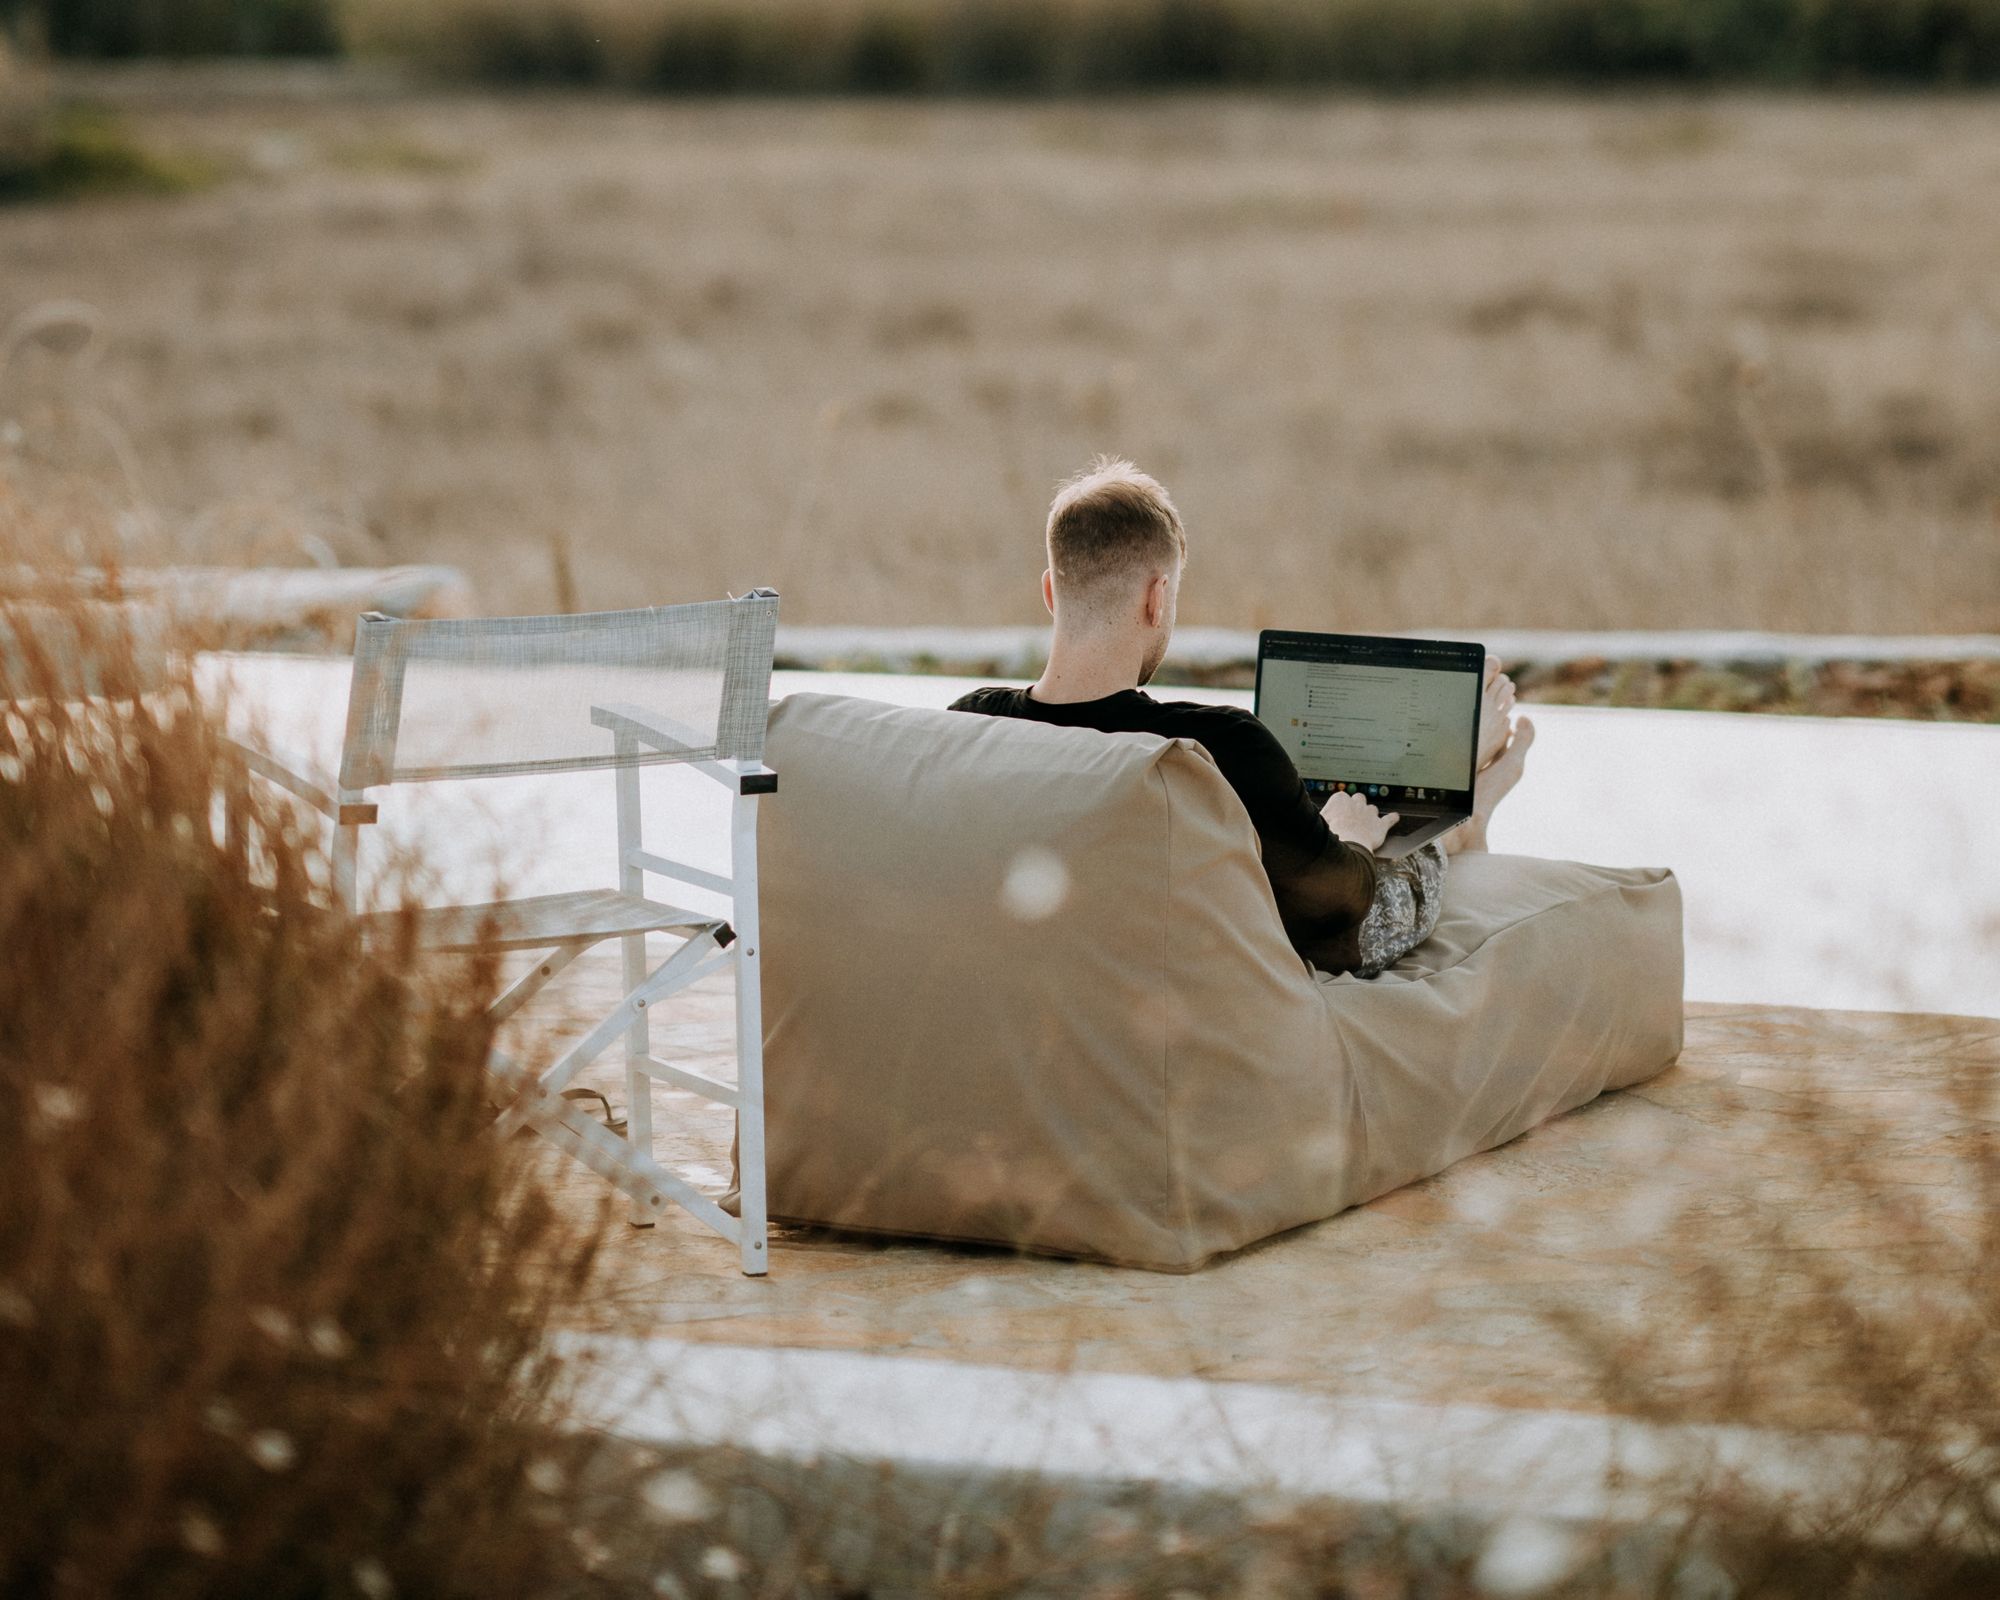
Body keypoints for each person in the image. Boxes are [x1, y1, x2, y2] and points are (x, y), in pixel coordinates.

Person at [950, 457, 1536, 977]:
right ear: (1157, 598)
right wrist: (1350, 838)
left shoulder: (970, 725)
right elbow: (1343, 920)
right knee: (1393, 875)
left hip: (1055, 964)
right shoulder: (1215, 747)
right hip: (1281, 923)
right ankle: (1466, 814)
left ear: (1052, 592)